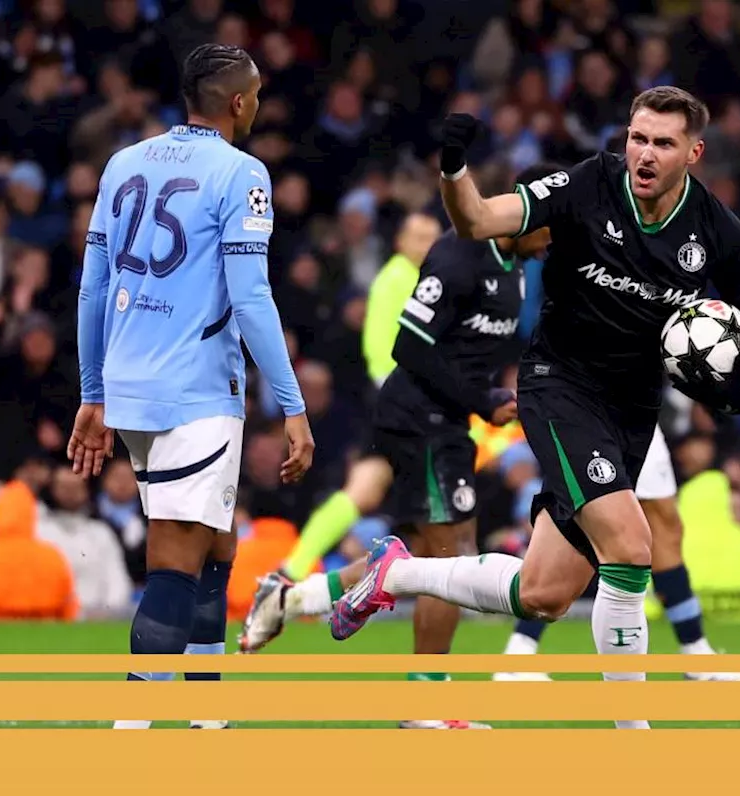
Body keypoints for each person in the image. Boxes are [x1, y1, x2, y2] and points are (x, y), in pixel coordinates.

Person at [331, 86, 740, 730]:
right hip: (560, 386)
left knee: (543, 593)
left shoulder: (716, 231)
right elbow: (478, 221)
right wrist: (454, 169)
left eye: (663, 143)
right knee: (631, 544)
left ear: (694, 153)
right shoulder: (587, 185)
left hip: (631, 410)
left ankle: (398, 574)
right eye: (637, 138)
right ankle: (635, 736)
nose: (644, 154)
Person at [242, 172, 554, 729]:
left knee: (414, 556)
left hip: (443, 417)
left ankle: (289, 597)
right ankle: (424, 704)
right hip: (420, 418)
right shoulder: (459, 256)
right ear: (523, 213)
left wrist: (488, 394)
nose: (556, 238)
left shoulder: (518, 269)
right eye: (553, 223)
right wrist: (481, 398)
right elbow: (408, 346)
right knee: (452, 556)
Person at [69, 43, 313, 730]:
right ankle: (133, 730)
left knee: (216, 540)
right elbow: (252, 298)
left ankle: (209, 715)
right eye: (257, 93)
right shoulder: (243, 174)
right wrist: (292, 406)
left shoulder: (124, 163)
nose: (260, 104)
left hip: (132, 384)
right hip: (195, 389)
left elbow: (94, 287)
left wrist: (94, 393)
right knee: (176, 553)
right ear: (238, 103)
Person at [494, 425, 740, 682]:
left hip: (638, 407)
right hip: (601, 406)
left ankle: (696, 653)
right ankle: (518, 652)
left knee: (663, 526)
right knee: (588, 522)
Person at [271, 213, 443, 588]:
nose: (426, 244)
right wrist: (407, 396)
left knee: (366, 488)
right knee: (437, 493)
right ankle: (452, 585)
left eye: (432, 236)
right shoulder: (397, 279)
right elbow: (378, 348)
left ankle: (292, 570)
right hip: (407, 405)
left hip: (406, 403)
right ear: (400, 241)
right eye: (417, 236)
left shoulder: (422, 277)